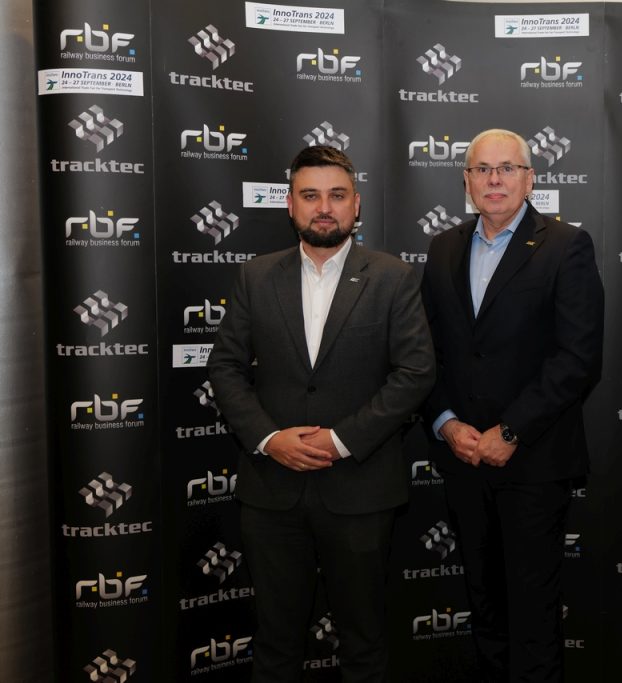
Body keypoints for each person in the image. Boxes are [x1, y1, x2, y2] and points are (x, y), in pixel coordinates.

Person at [207, 145, 435, 682]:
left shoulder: (393, 277)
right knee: (275, 644)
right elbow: (225, 368)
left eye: (337, 195)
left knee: (364, 644)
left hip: (360, 490)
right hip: (272, 490)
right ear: (290, 204)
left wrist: (339, 441)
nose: (324, 208)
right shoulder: (256, 276)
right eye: (310, 196)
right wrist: (270, 439)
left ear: (357, 204)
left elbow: (415, 373)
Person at [419, 128, 604, 682]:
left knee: (533, 617)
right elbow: (425, 351)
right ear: (466, 181)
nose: (494, 179)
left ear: (530, 179)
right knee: (485, 608)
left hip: (533, 463)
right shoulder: (443, 248)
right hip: (463, 460)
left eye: (507, 168)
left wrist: (511, 431)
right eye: (482, 169)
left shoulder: (566, 245)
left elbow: (578, 358)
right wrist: (446, 423)